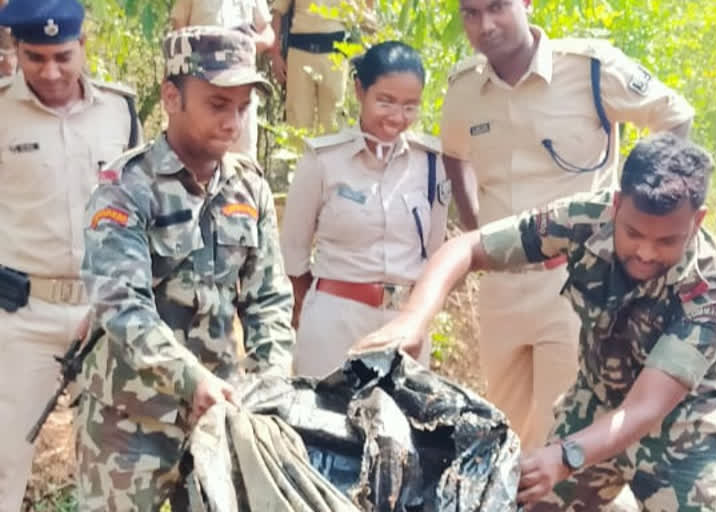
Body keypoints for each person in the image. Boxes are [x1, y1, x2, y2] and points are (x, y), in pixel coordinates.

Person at [353, 133, 716, 511]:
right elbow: (468, 247)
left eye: (666, 242)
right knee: (531, 501)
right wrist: (413, 319)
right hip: (595, 405)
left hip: (681, 430)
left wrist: (566, 456)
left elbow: (646, 406)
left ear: (697, 219)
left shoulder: (712, 288)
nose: (645, 252)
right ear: (618, 204)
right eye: (633, 233)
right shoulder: (584, 219)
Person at [440, 0, 696, 450]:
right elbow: (453, 152)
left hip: (575, 284)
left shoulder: (591, 69)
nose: (485, 25)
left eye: (497, 8)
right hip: (500, 286)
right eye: (471, 13)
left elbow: (674, 116)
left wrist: (642, 214)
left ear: (526, 4)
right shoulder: (464, 88)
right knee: (502, 428)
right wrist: (474, 229)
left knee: (562, 430)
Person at [75, 25, 294, 509]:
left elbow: (269, 299)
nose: (233, 122)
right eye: (218, 105)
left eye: (242, 107)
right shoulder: (126, 189)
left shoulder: (249, 188)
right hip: (129, 426)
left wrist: (272, 381)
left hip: (218, 423)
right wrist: (192, 380)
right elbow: (122, 308)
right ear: (172, 97)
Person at [0, 0, 139, 508]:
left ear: (84, 45)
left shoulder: (120, 111)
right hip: (21, 316)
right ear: (16, 50)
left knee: (112, 462)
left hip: (102, 312)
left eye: (62, 55)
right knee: (4, 460)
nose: (50, 71)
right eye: (35, 57)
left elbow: (133, 207)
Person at [280, 41, 449, 377]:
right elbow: (293, 253)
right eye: (385, 101)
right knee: (326, 425)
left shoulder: (431, 164)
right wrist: (312, 308)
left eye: (409, 106)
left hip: (403, 325)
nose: (397, 117)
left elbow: (435, 256)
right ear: (359, 89)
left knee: (402, 426)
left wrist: (416, 318)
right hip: (334, 321)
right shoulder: (323, 161)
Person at [169, 0, 275, 161]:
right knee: (197, 159)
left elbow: (268, 33)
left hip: (242, 87)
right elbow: (178, 35)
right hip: (205, 87)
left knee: (244, 160)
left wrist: (250, 43)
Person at [268, 0, 374, 133]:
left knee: (333, 121)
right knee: (297, 121)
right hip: (299, 55)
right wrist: (275, 56)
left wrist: (353, 9)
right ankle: (298, 153)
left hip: (334, 58)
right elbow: (277, 13)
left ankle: (333, 154)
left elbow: (370, 22)